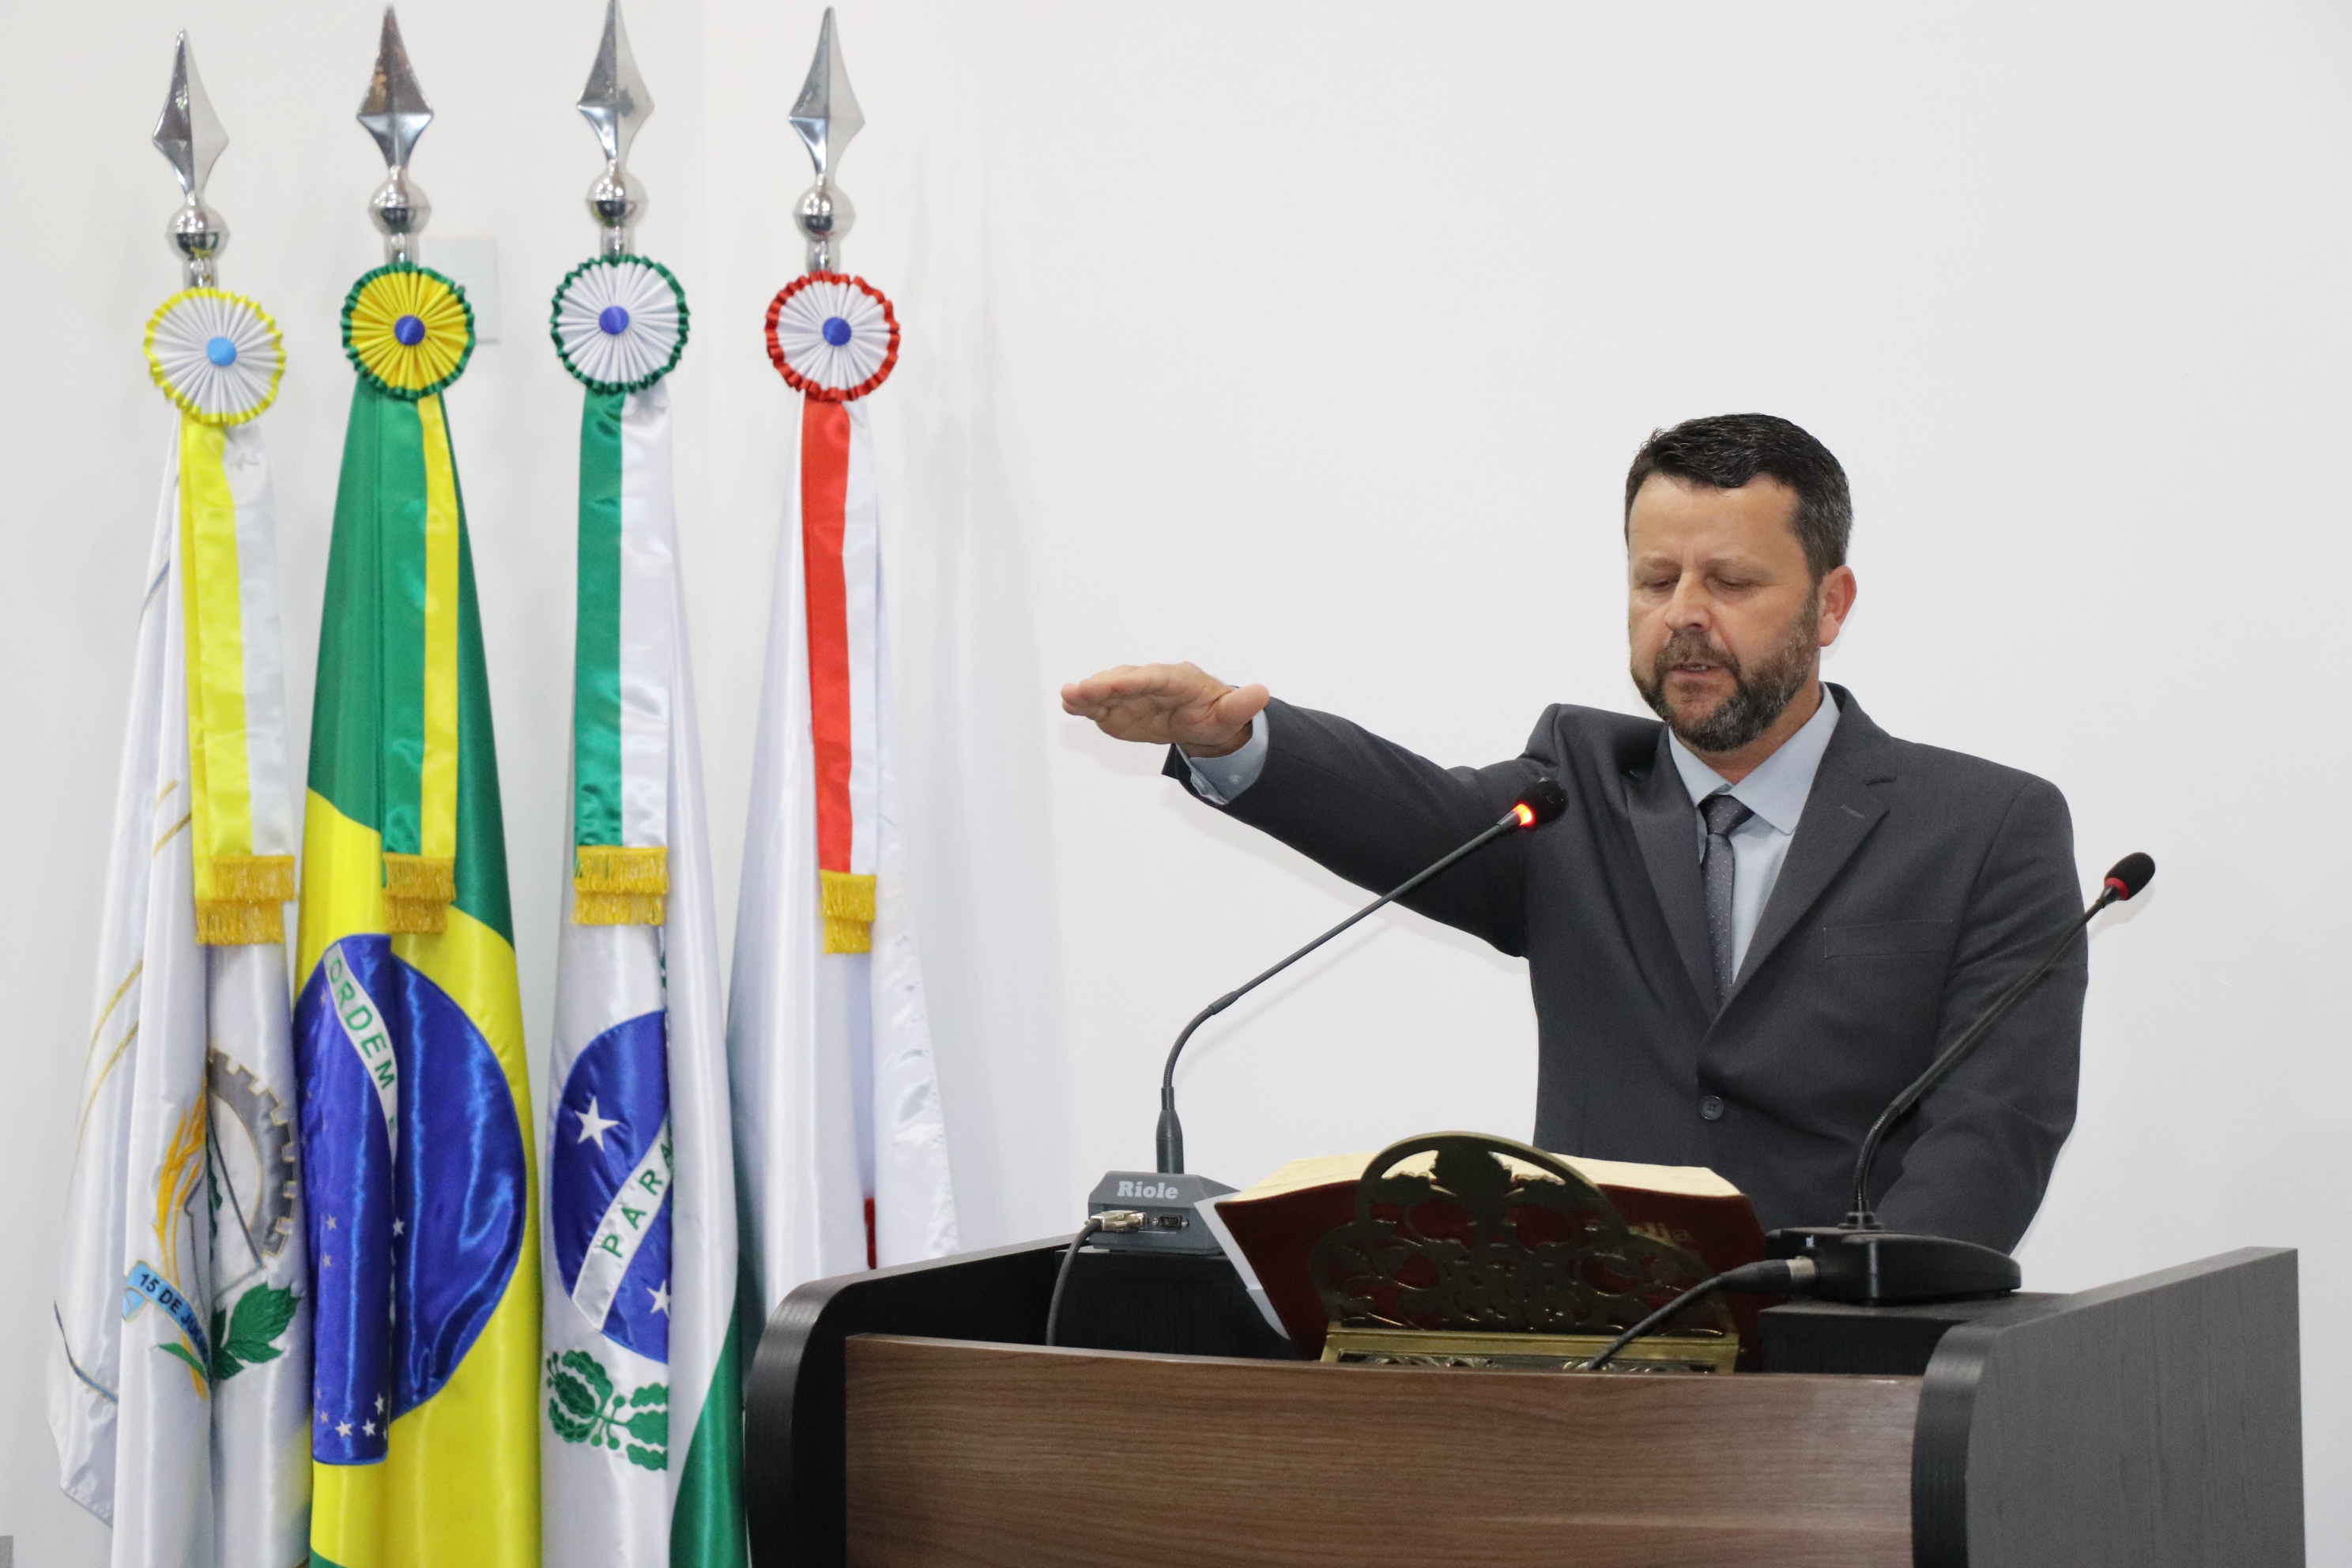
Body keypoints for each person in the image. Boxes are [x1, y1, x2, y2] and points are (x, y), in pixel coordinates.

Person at [1061, 413, 2083, 1250]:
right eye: (1655, 580)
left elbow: (1992, 1129)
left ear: (1830, 603)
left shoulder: (1985, 830)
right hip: (1589, 1365)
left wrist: (1853, 1326)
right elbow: (1407, 815)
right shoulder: (1574, 791)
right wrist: (1235, 741)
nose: (1684, 614)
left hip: (1843, 1376)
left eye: (1730, 582)